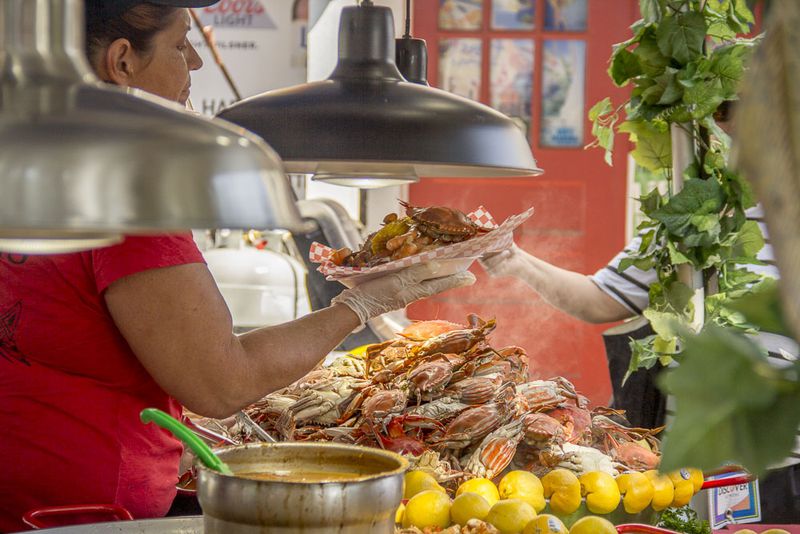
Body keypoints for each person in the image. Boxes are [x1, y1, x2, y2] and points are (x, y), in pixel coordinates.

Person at [0, 1, 475, 531]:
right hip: (82, 519)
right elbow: (222, 384)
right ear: (122, 61)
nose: (196, 64)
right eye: (181, 46)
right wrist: (359, 305)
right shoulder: (126, 191)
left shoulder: (30, 165)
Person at [479, 104, 800, 520]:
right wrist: (515, 261)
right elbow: (599, 299)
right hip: (687, 477)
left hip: (787, 469)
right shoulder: (696, 217)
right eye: (724, 110)